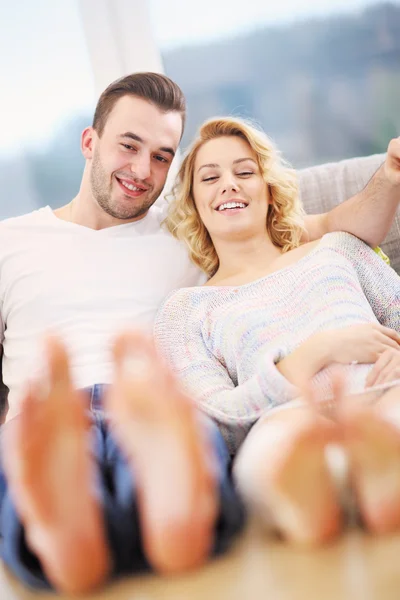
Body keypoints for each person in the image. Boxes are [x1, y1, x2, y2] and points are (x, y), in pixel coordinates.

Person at [0, 71, 399, 594]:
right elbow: (227, 406)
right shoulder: (13, 242)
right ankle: (66, 536)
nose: (143, 170)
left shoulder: (185, 230)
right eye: (129, 145)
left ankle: (166, 522)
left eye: (162, 156)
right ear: (89, 141)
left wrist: (390, 174)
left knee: (182, 455)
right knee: (55, 473)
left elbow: (321, 229)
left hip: (152, 409)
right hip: (49, 410)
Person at [155, 116, 400, 549]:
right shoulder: (185, 311)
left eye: (245, 172)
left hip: (383, 388)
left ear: (269, 190)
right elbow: (219, 422)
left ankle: (373, 474)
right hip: (287, 417)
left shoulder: (337, 248)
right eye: (210, 178)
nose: (228, 184)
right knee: (266, 458)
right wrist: (315, 353)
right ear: (194, 204)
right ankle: (332, 493)